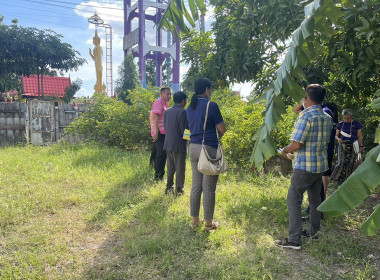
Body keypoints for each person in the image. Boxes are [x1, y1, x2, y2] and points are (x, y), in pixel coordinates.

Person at [277, 84, 332, 250]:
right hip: (320, 165)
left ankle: (294, 240)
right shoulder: (327, 117)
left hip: (305, 166)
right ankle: (314, 233)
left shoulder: (306, 116)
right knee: (315, 200)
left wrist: (284, 150)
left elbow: (297, 144)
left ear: (307, 98)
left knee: (293, 198)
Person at [186, 78, 226, 231]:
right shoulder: (212, 105)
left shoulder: (189, 107)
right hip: (208, 148)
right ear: (207, 90)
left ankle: (195, 220)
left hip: (193, 147)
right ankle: (209, 224)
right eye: (211, 89)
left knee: (196, 186)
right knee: (209, 188)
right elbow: (222, 129)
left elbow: (188, 129)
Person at [293, 102, 339, 218]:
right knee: (315, 184)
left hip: (322, 152)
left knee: (321, 180)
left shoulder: (324, 112)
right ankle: (314, 209)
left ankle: (320, 209)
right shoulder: (314, 113)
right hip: (320, 152)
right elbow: (296, 110)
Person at [163, 91, 189, 195]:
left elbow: (165, 127)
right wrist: (189, 140)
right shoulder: (183, 112)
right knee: (180, 168)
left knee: (170, 167)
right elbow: (185, 130)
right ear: (183, 101)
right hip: (179, 144)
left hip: (168, 143)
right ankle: (179, 189)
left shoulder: (167, 111)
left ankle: (169, 188)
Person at [331, 109, 363, 185]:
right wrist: (339, 139)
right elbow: (336, 135)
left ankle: (347, 180)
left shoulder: (356, 124)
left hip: (353, 145)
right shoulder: (341, 124)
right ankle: (337, 178)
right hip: (342, 145)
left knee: (350, 162)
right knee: (341, 162)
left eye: (348, 118)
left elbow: (359, 136)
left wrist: (361, 146)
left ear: (351, 117)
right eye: (344, 118)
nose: (346, 120)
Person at [151, 86, 172, 181]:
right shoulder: (158, 102)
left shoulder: (165, 103)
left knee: (156, 151)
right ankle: (158, 176)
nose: (169, 96)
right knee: (162, 153)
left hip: (163, 131)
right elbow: (155, 116)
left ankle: (152, 165)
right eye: (167, 94)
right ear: (162, 94)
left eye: (170, 94)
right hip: (159, 131)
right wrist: (155, 131)